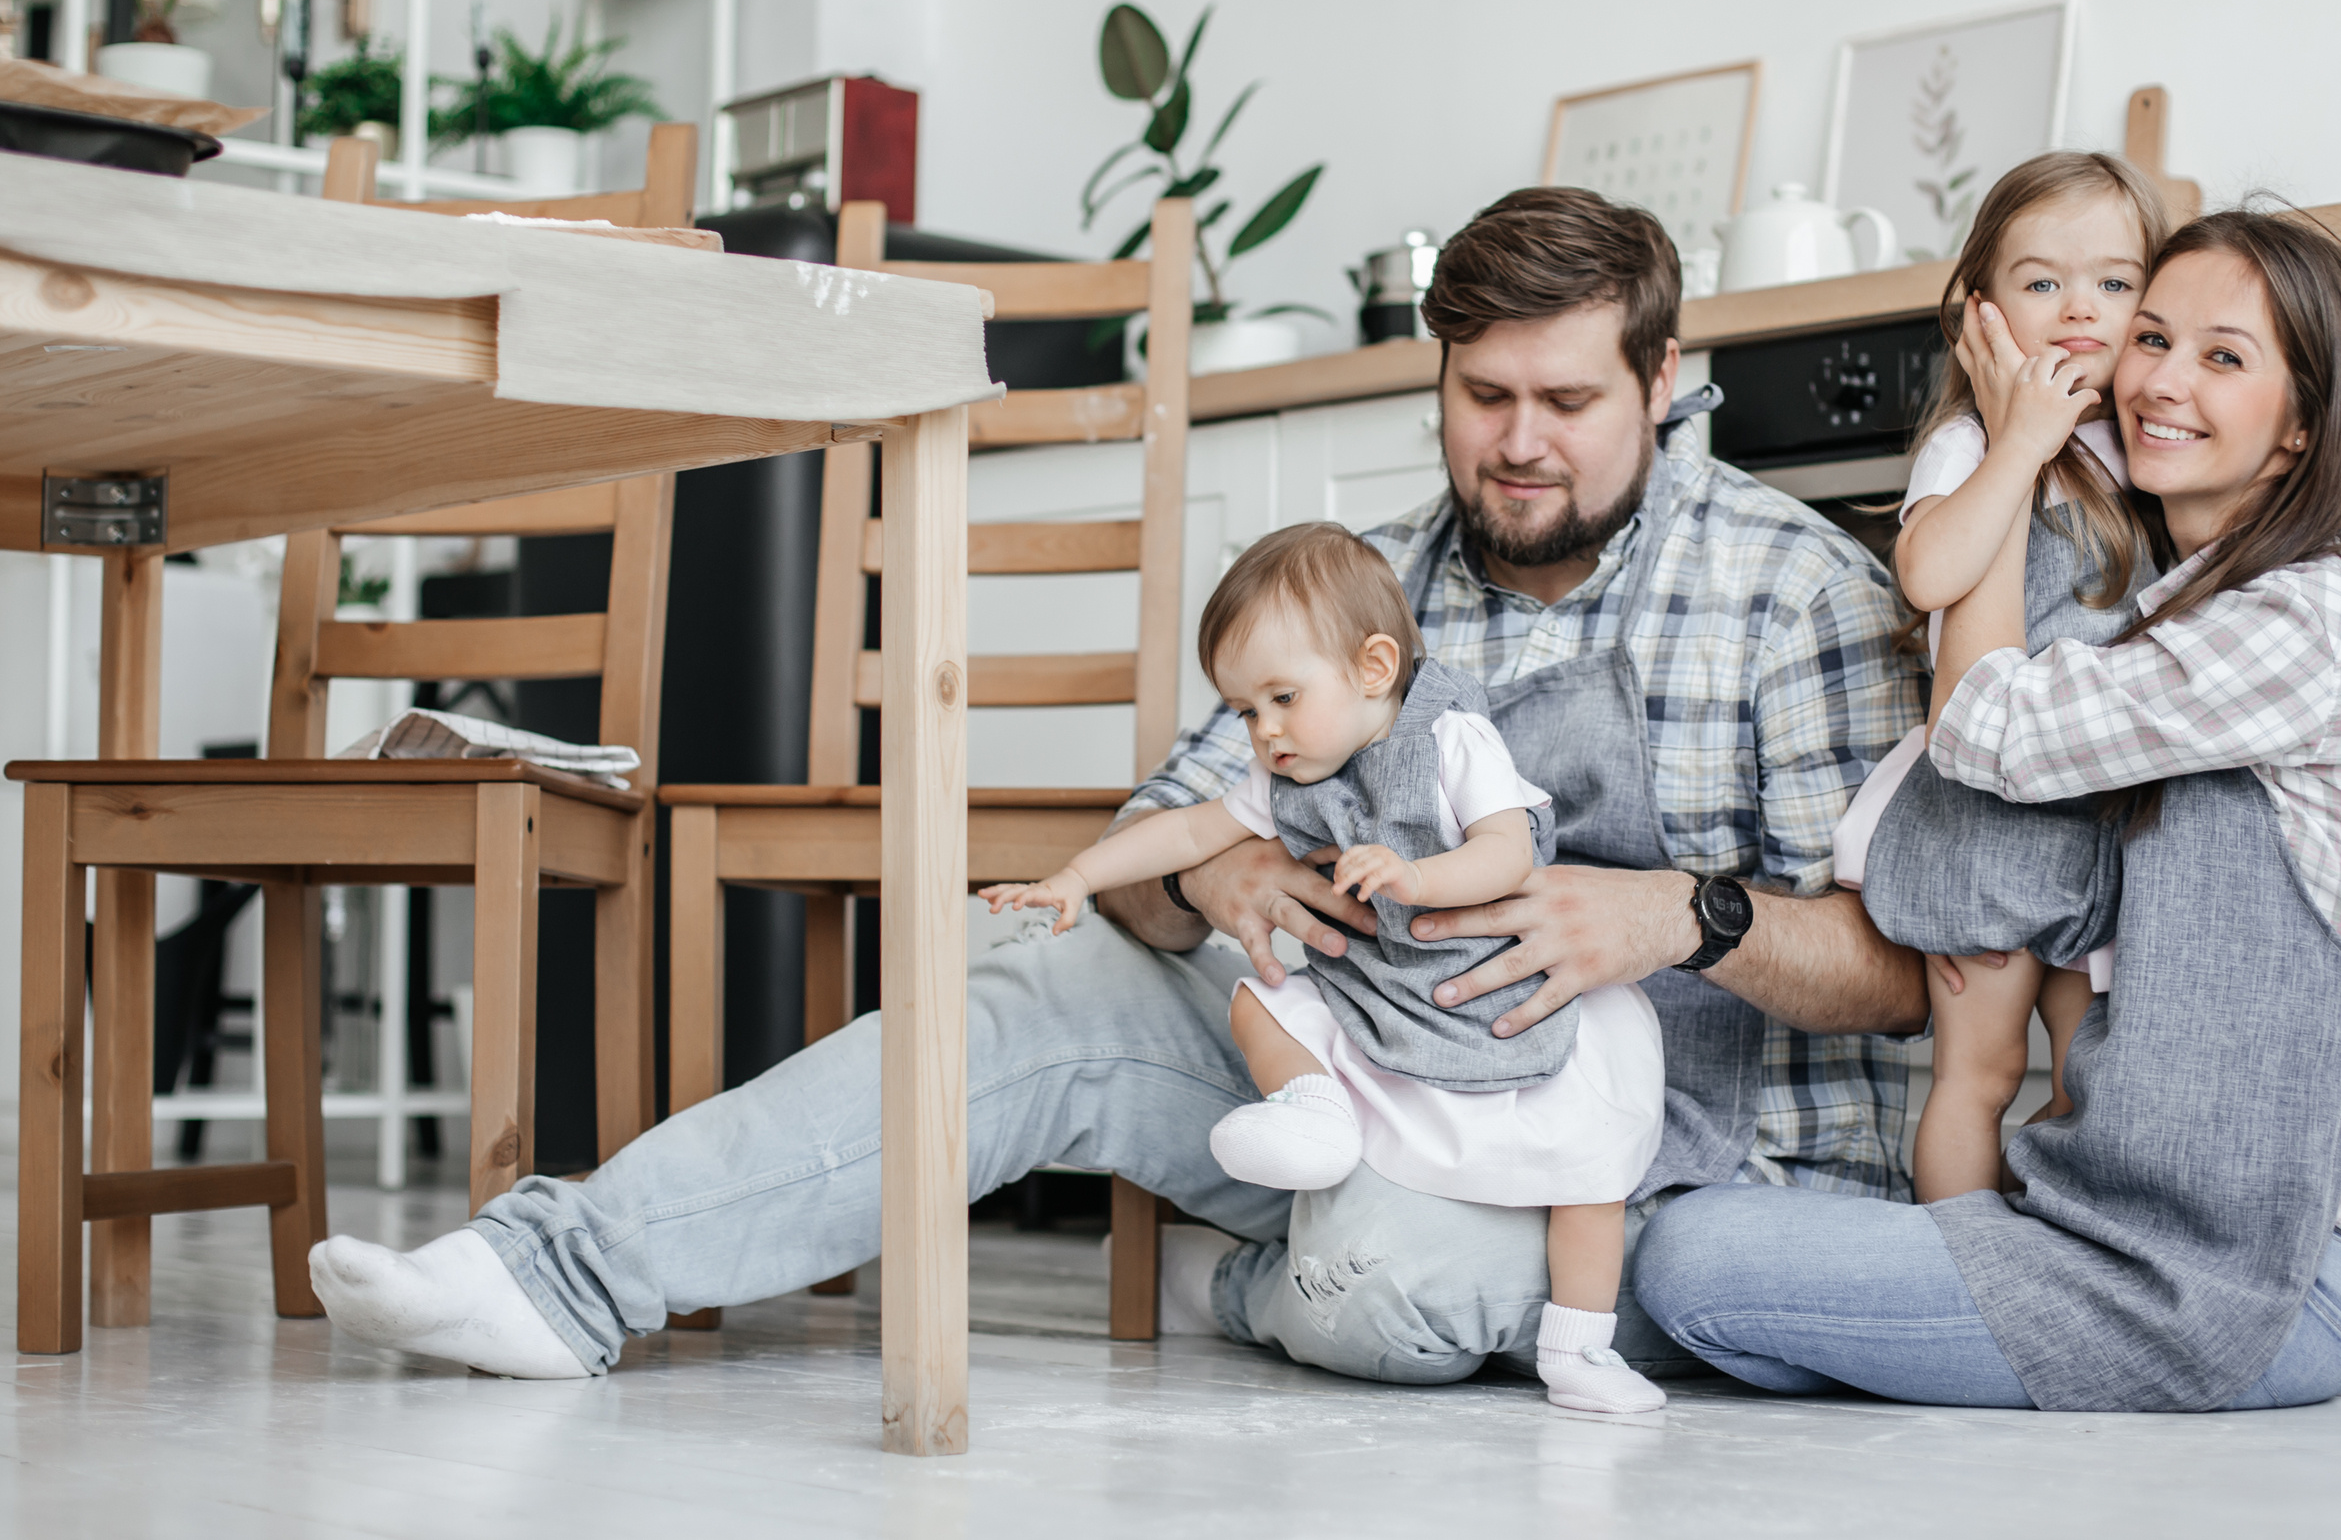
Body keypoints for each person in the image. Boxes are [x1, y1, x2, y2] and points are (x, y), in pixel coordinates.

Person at [306, 185, 1928, 1388]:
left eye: (1566, 402)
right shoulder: (1375, 583)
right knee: (1032, 979)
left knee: (1383, 1280)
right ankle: (555, 1278)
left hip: (1629, 1159)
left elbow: (1900, 975)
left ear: (1658, 381)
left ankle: (1264, 1291)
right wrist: (1220, 878)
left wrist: (1683, 914)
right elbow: (1161, 852)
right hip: (1359, 1087)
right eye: (1478, 397)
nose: (1517, 445)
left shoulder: (1791, 592)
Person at [1633, 206, 2341, 1412]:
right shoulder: (2180, 602)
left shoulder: (2305, 617)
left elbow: (1984, 731)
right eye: (2150, 337)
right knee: (1730, 1281)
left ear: (2300, 429)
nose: (2158, 379)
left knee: (1689, 1261)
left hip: (2249, 1281)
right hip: (2118, 1232)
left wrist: (2011, 442)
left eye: (2223, 356)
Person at [983, 521, 1668, 1413]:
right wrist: (1076, 876)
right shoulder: (1295, 771)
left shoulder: (1452, 740)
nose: (1264, 732)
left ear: (1374, 668)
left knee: (1584, 1161)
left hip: (1508, 1000)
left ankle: (1580, 1348)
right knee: (1261, 997)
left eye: (1280, 698)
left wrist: (1415, 874)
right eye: (1244, 710)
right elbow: (1189, 831)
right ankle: (1315, 1109)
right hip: (1386, 1001)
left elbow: (1506, 851)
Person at [1831, 152, 2170, 1202]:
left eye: (2115, 284)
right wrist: (2020, 443)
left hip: (2097, 819)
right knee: (1974, 1076)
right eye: (2041, 283)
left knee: (2086, 1078)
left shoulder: (2148, 445)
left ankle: (2060, 1265)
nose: (2081, 309)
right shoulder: (1971, 441)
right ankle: (1956, 1270)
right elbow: (1930, 571)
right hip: (1983, 825)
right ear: (1980, 313)